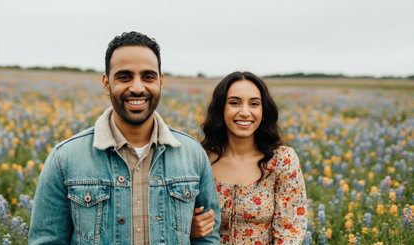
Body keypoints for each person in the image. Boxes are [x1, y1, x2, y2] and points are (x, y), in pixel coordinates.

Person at [29, 31, 221, 245]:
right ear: (106, 83)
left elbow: (208, 239)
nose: (137, 88)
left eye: (148, 77)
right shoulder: (65, 158)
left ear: (161, 82)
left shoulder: (192, 153)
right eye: (124, 77)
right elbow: (47, 240)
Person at [190, 71, 307, 244]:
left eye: (254, 104)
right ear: (221, 108)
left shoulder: (282, 160)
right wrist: (187, 228)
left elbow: (290, 232)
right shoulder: (199, 157)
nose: (245, 112)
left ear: (263, 110)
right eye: (235, 103)